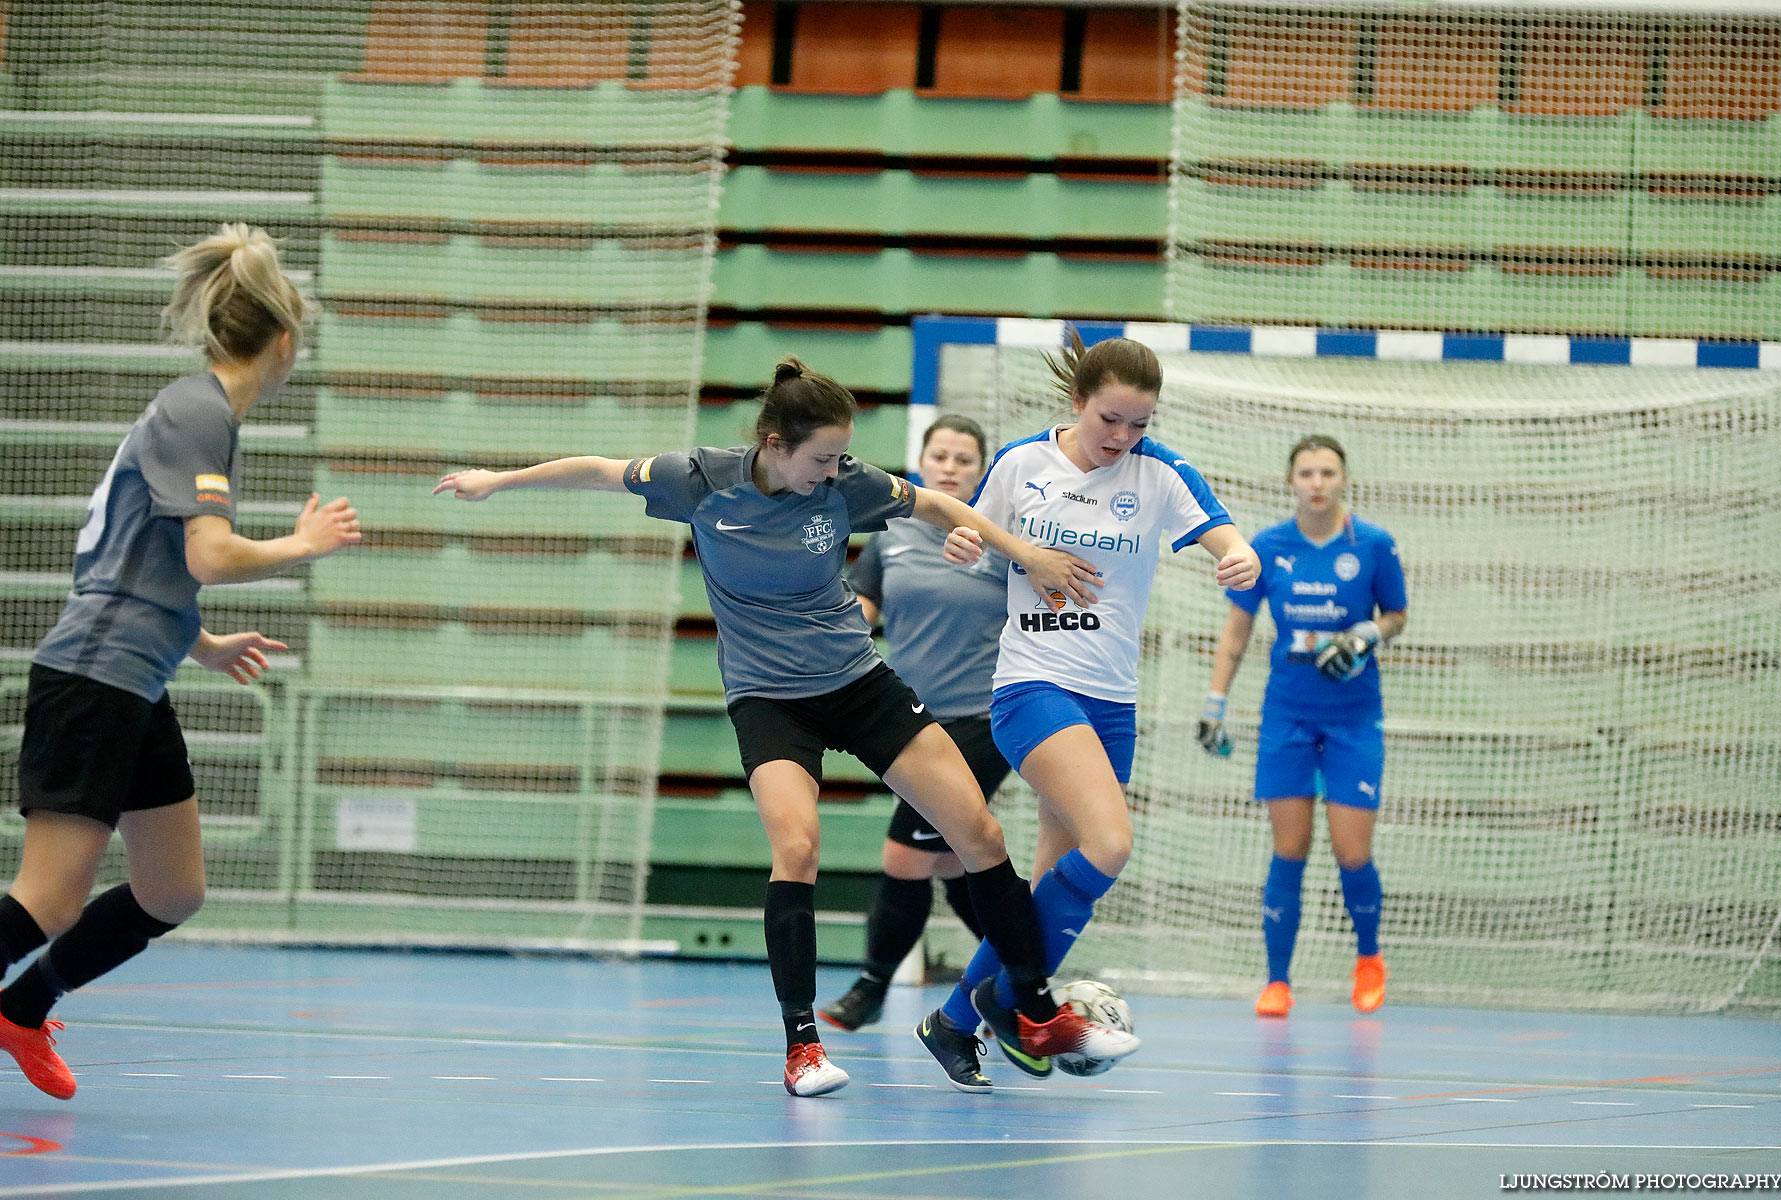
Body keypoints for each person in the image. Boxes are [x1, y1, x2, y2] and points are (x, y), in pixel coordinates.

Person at [435, 357, 1138, 1098]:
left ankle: (1034, 1014)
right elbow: (599, 470)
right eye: (821, 458)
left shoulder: (847, 483)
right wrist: (498, 482)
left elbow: (934, 506)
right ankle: (803, 1048)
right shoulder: (700, 480)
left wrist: (1022, 551)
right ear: (773, 444)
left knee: (983, 838)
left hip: (858, 683)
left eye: (842, 457)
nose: (836, 472)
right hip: (770, 699)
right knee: (797, 847)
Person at [0, 223, 362, 1100]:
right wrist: (302, 543)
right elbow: (207, 555)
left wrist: (199, 642)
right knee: (48, 900)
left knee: (173, 890)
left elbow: (134, 563)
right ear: (284, 343)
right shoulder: (198, 410)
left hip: (137, 678)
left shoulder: (198, 416)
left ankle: (19, 1010)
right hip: (93, 680)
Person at [924, 331, 1260, 1083]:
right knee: (1108, 845)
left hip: (1111, 704)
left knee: (1055, 884)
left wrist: (1242, 557)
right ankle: (1017, 1007)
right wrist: (966, 547)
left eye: (1140, 422)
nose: (1124, 436)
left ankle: (956, 1022)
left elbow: (1225, 533)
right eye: (1111, 419)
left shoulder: (1159, 472)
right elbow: (970, 526)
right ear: (1078, 403)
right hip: (1034, 686)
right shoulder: (1021, 464)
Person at [1196, 434, 1408, 1017]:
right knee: (1288, 847)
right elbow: (1238, 629)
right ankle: (1277, 980)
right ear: (1291, 481)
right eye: (1307, 473)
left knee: (1351, 851)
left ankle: (1368, 958)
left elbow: (1396, 615)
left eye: (1328, 472)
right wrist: (1215, 701)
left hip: (1354, 718)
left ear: (1344, 479)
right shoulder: (1266, 547)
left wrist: (1366, 634)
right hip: (1287, 714)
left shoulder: (1373, 545)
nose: (1317, 482)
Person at [818, 414, 1008, 1033]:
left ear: (981, 471)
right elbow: (861, 613)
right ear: (921, 463)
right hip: (910, 725)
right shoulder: (891, 537)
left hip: (984, 720)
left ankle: (871, 989)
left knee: (905, 853)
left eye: (964, 458)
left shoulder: (996, 540)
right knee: (956, 865)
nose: (950, 466)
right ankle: (1027, 970)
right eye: (941, 455)